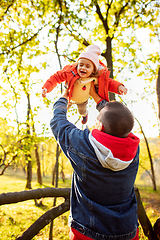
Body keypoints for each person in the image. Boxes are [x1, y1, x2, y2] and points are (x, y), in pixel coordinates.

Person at [50, 82, 140, 240]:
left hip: (88, 233)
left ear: (99, 125)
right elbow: (118, 121)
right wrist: (95, 95)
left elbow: (58, 124)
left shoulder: (83, 144)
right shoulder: (134, 149)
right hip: (127, 232)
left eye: (98, 119)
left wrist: (64, 98)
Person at [42, 44, 127, 124]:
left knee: (81, 111)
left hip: (82, 101)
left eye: (87, 66)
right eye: (81, 65)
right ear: (77, 65)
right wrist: (46, 87)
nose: (83, 68)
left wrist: (119, 86)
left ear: (93, 70)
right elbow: (56, 77)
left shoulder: (95, 78)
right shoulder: (70, 72)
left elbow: (108, 83)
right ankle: (59, 122)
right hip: (69, 97)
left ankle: (84, 115)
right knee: (63, 109)